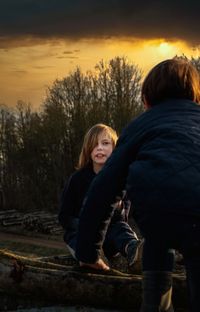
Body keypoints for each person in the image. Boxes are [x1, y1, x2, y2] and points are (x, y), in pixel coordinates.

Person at [75, 58, 200, 312]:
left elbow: (102, 191)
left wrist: (88, 254)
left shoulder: (139, 126)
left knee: (157, 239)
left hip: (157, 213)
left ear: (147, 99)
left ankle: (156, 304)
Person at [58, 123, 141, 268]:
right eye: (94, 144)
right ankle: (92, 258)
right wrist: (86, 226)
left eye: (105, 143)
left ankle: (134, 250)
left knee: (121, 228)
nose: (99, 148)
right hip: (81, 235)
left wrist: (119, 208)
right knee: (77, 235)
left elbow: (123, 218)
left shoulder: (121, 179)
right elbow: (64, 216)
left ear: (114, 148)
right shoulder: (77, 179)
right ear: (88, 150)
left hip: (109, 236)